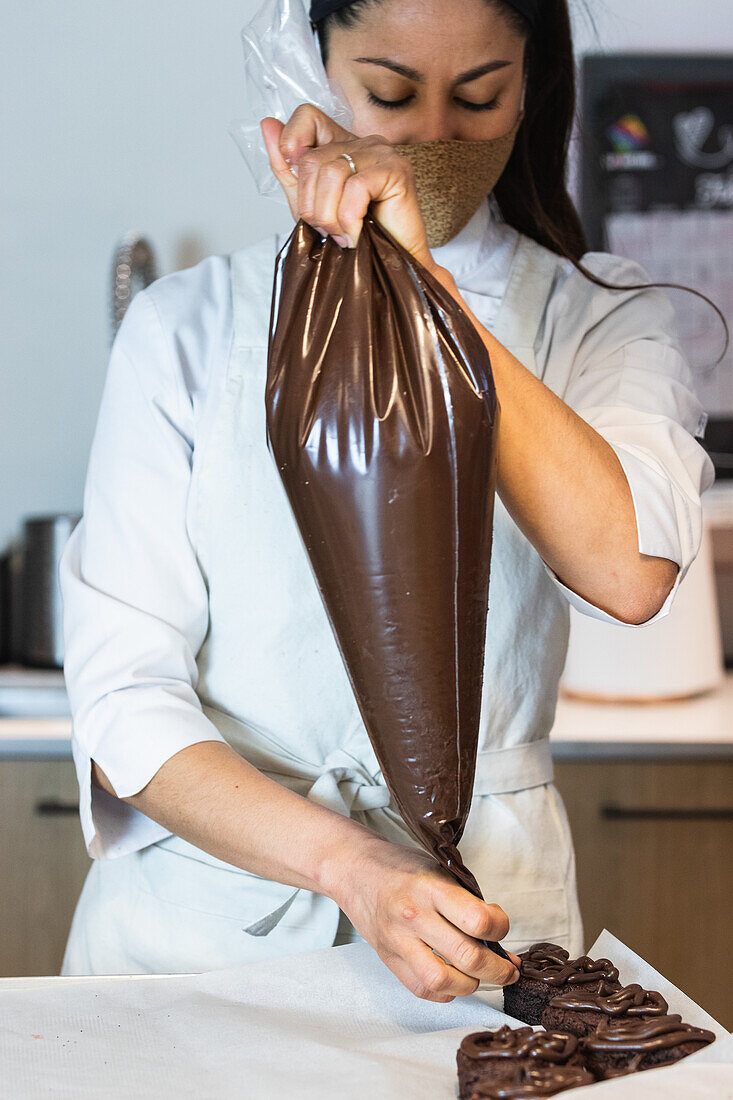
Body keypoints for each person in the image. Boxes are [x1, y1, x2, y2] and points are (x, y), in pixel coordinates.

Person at [59, 0, 714, 1000]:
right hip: (189, 954)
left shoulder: (600, 323)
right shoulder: (187, 327)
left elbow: (627, 570)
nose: (433, 137)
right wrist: (351, 866)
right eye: (390, 93)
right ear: (313, 72)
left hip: (474, 933)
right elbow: (122, 699)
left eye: (480, 96)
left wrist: (422, 285)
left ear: (531, 85)